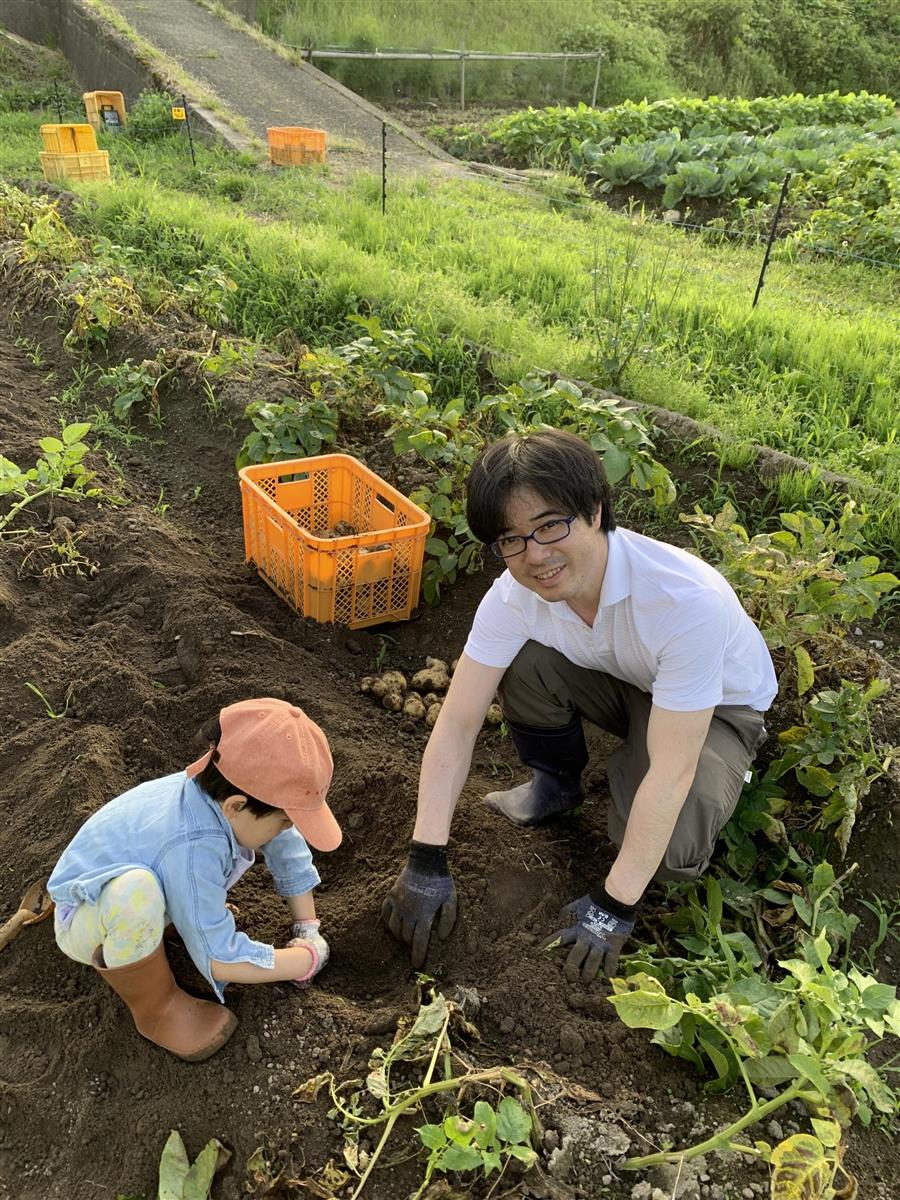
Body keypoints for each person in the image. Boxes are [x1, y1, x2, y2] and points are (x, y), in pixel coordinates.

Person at [382, 429, 776, 981]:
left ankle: (653, 795)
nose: (534, 555)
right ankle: (556, 785)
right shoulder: (514, 596)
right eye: (512, 540)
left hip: (716, 708)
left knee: (666, 852)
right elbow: (458, 721)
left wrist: (614, 907)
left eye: (549, 526)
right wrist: (425, 857)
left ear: (595, 510)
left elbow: (673, 768)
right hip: (623, 676)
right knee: (522, 662)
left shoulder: (685, 602)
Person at [48, 697, 341, 1061]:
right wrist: (302, 961)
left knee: (159, 891)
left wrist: (306, 925)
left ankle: (167, 923)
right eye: (284, 820)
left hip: (133, 874)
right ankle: (159, 1009)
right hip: (84, 912)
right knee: (136, 895)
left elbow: (285, 841)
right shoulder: (194, 847)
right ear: (236, 805)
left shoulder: (220, 791)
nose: (286, 829)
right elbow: (219, 958)